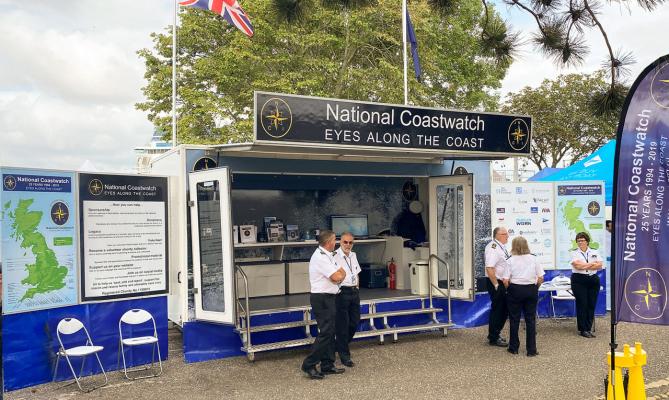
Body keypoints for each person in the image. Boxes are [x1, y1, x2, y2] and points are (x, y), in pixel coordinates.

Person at [301, 230, 347, 379]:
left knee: (330, 331)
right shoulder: (321, 258)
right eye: (335, 240)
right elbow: (336, 276)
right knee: (326, 332)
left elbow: (341, 273)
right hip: (322, 299)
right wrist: (339, 276)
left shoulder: (328, 255)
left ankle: (327, 364)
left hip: (329, 297)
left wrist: (340, 275)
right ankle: (309, 364)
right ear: (329, 242)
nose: (336, 242)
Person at [502, 236, 544, 356]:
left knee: (514, 319)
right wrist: (536, 288)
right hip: (531, 289)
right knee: (530, 320)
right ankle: (531, 350)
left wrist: (509, 289)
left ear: (513, 246)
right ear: (526, 245)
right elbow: (541, 278)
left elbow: (505, 280)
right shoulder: (534, 259)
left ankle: (513, 348)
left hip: (515, 289)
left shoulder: (510, 260)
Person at [334, 232, 361, 368]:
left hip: (353, 292)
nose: (348, 245)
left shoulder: (353, 255)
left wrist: (357, 287)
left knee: (354, 322)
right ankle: (345, 356)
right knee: (342, 326)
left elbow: (356, 273)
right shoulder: (334, 256)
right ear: (340, 242)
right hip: (342, 292)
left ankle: (338, 346)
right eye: (345, 242)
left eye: (351, 242)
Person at [570, 232, 604, 338]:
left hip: (593, 280)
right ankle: (582, 329)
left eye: (582, 240)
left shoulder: (594, 251)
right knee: (582, 304)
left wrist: (585, 265)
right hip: (579, 280)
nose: (580, 242)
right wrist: (591, 264)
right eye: (578, 241)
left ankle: (588, 329)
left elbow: (599, 265)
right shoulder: (574, 253)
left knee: (591, 304)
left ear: (587, 241)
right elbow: (578, 266)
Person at [484, 227, 510, 347]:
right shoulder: (493, 247)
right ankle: (493, 337)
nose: (508, 236)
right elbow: (489, 268)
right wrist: (496, 285)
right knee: (498, 309)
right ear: (498, 235)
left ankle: (496, 333)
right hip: (496, 282)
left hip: (502, 282)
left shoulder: (501, 246)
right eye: (505, 234)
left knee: (504, 309)